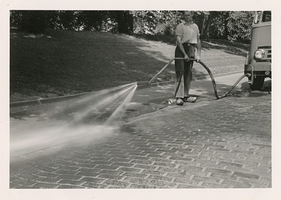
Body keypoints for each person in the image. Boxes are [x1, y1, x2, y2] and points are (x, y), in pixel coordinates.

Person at [174, 11, 201, 105]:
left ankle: (185, 95)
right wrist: (184, 54)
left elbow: (198, 41)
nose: (187, 17)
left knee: (188, 74)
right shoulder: (180, 26)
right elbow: (178, 41)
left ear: (192, 16)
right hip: (181, 50)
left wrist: (198, 54)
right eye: (185, 15)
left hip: (191, 50)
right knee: (180, 72)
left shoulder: (195, 27)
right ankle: (179, 97)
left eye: (188, 15)